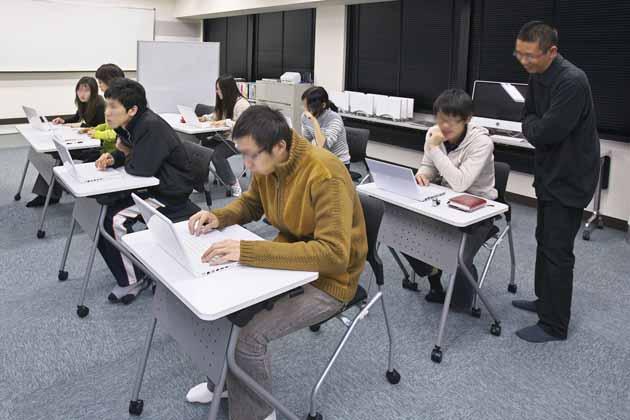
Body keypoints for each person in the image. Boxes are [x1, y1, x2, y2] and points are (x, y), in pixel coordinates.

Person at [185, 105, 368, 420]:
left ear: (280, 147)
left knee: (248, 338)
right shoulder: (270, 165)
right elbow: (253, 202)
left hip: (331, 282)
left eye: (251, 155)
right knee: (222, 305)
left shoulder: (325, 174)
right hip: (290, 263)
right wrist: (218, 217)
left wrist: (248, 252)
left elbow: (334, 255)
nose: (246, 164)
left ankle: (258, 414)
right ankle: (225, 384)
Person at [512, 21, 600, 342]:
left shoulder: (572, 82)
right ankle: (543, 302)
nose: (524, 62)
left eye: (530, 56)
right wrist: (535, 127)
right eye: (519, 54)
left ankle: (555, 325)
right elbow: (529, 120)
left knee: (558, 250)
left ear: (552, 51)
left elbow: (545, 131)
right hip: (549, 171)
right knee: (543, 239)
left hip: (571, 177)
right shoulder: (537, 75)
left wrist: (535, 127)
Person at [94, 78, 196, 304]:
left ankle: (135, 280)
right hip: (152, 185)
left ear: (132, 110)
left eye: (113, 107)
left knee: (113, 220)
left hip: (168, 193)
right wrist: (115, 157)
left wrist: (125, 156)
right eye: (107, 105)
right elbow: (131, 153)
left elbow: (140, 168)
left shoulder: (150, 126)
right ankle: (134, 271)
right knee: (102, 211)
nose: (107, 113)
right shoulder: (128, 124)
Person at [402, 89, 497, 308]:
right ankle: (434, 275)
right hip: (443, 202)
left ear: (467, 120)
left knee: (458, 258)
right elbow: (428, 166)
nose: (445, 127)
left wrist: (435, 148)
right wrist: (422, 175)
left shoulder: (482, 143)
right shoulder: (434, 133)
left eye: (453, 122)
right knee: (403, 231)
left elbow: (461, 183)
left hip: (478, 209)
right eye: (442, 119)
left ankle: (460, 297)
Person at [26, 76, 106, 208]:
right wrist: (64, 121)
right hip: (85, 141)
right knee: (52, 153)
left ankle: (51, 192)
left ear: (94, 91)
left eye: (86, 90)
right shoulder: (84, 103)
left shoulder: (100, 105)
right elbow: (77, 117)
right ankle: (50, 192)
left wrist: (84, 129)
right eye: (79, 90)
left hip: (94, 147)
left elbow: (102, 128)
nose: (82, 94)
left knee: (56, 154)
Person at [198, 75, 251, 197]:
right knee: (201, 149)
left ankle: (233, 183)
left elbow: (243, 126)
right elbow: (215, 115)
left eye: (218, 89)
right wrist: (204, 118)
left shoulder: (242, 104)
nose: (217, 92)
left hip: (238, 140)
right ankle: (201, 182)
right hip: (224, 137)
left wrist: (224, 122)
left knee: (217, 155)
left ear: (227, 89)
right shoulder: (225, 101)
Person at [77, 63, 126, 153]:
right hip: (106, 149)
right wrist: (95, 129)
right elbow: (108, 125)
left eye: (100, 82)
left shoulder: (122, 104)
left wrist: (97, 134)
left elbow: (116, 134)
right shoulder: (111, 100)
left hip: (116, 153)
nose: (99, 86)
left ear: (110, 81)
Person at [301, 86, 351, 167]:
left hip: (338, 163)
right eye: (305, 106)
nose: (305, 111)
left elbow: (323, 147)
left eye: (309, 108)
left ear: (323, 105)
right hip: (319, 159)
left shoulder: (334, 118)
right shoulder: (305, 116)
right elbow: (307, 141)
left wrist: (314, 121)